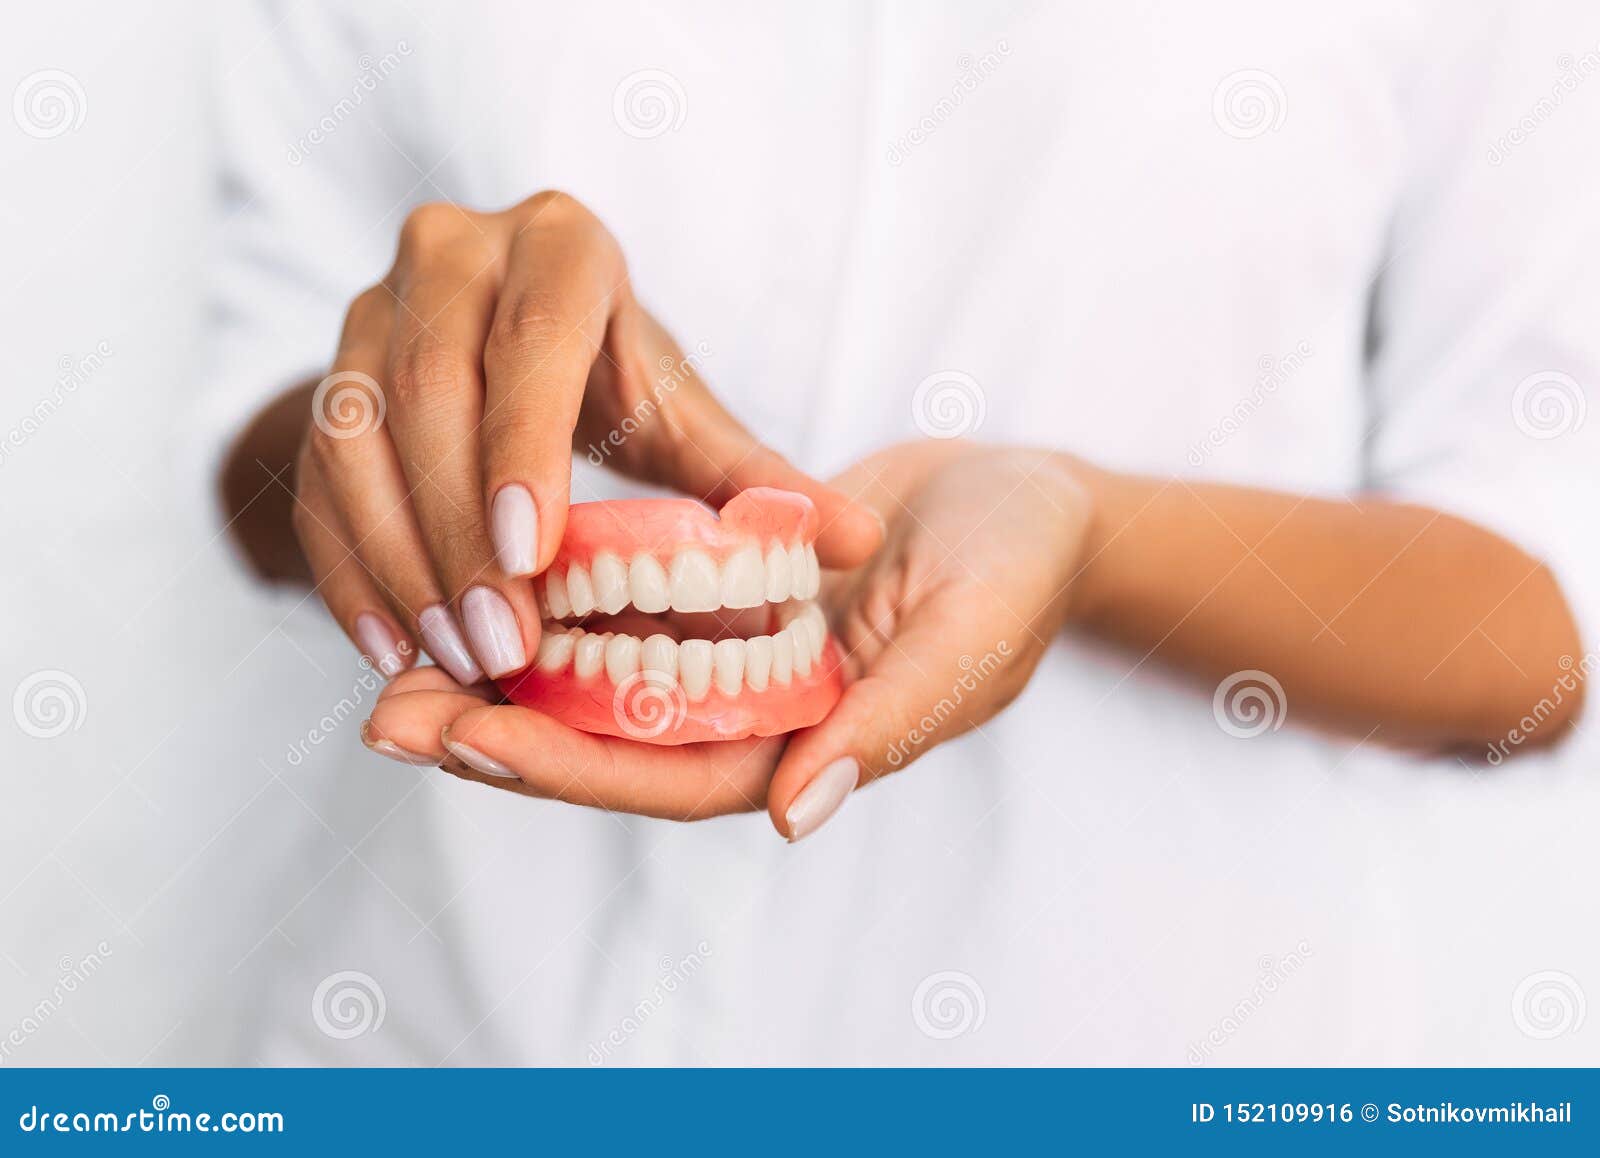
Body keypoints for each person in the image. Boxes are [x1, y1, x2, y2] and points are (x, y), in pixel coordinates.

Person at [213, 2, 1598, 1063]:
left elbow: (1539, 628)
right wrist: (398, 405)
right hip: (447, 1041)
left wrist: (1090, 533)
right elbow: (251, 449)